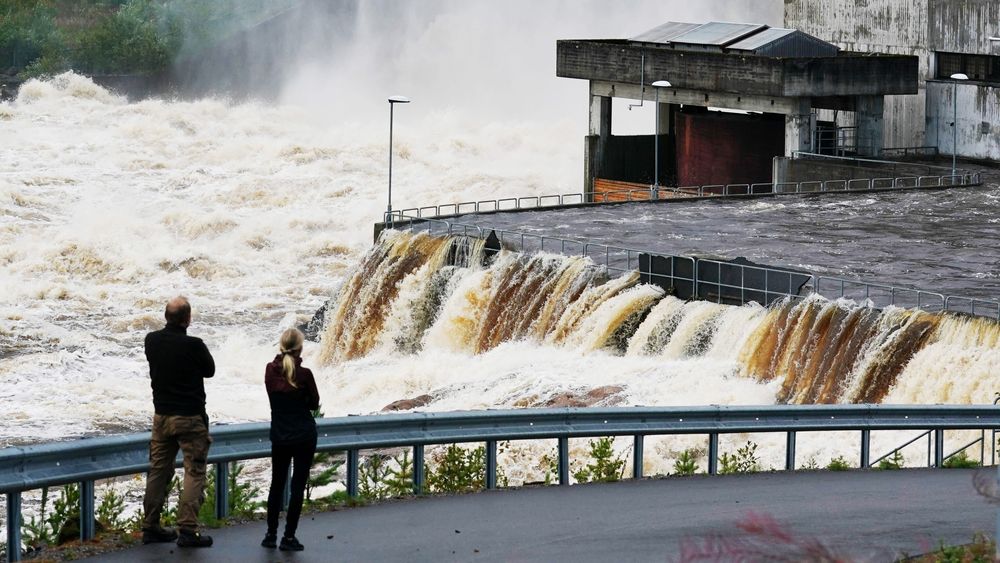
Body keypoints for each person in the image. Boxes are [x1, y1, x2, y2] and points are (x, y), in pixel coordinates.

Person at [141, 296, 215, 548]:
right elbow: (210, 370)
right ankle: (187, 530)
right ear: (187, 319)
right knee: (194, 472)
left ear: (165, 317)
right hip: (190, 419)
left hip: (161, 417)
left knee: (158, 471)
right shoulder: (194, 345)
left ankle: (150, 526)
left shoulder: (151, 341)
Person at [262, 328, 320, 552]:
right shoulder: (304, 374)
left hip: (280, 434)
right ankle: (288, 537)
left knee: (276, 485)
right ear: (300, 348)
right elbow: (314, 404)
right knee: (297, 487)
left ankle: (270, 535)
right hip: (304, 435)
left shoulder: (270, 370)